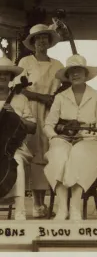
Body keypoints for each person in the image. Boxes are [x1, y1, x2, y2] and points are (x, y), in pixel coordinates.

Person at [43, 54, 97, 220]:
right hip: (63, 140)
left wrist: (86, 135)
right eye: (72, 72)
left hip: (89, 142)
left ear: (85, 74)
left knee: (78, 155)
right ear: (68, 76)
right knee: (58, 155)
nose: (75, 74)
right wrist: (55, 137)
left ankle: (75, 206)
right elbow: (48, 124)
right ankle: (62, 206)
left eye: (79, 71)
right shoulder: (60, 97)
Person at [19, 23, 63, 218]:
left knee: (49, 154)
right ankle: (36, 204)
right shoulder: (25, 63)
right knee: (34, 153)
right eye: (38, 38)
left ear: (49, 41)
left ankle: (47, 203)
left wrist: (55, 98)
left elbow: (66, 86)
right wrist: (40, 97)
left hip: (53, 112)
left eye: (45, 37)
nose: (42, 41)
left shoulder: (58, 65)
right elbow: (18, 88)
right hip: (30, 110)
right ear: (33, 42)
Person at [0, 56, 37, 220]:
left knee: (16, 161)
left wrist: (16, 116)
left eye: (6, 74)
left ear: (10, 78)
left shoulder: (20, 99)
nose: (2, 77)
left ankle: (20, 209)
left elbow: (32, 127)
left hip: (15, 147)